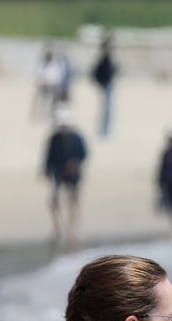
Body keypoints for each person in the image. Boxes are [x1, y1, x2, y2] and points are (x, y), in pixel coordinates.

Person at [43, 106, 87, 249]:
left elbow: (84, 154)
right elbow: (48, 156)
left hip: (73, 175)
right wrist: (47, 170)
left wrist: (75, 164)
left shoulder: (77, 138)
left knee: (73, 201)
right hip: (58, 173)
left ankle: (73, 230)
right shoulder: (54, 138)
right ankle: (57, 227)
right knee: (53, 200)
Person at [90, 34, 117, 139]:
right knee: (107, 108)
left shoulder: (104, 57)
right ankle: (105, 130)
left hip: (106, 83)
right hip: (107, 83)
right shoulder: (106, 58)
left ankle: (105, 129)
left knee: (106, 108)